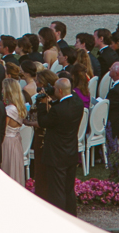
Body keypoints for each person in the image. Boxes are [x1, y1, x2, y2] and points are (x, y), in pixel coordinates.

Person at [33, 77, 85, 215]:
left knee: (57, 190)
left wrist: (42, 104)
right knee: (68, 189)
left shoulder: (58, 111)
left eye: (55, 88)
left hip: (56, 155)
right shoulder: (77, 102)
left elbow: (43, 121)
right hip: (70, 152)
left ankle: (60, 217)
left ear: (60, 91)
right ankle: (72, 215)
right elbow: (64, 101)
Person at [0, 78, 28, 185]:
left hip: (7, 142)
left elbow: (2, 129)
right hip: (15, 142)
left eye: (3, 88)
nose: (2, 91)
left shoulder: (9, 110)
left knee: (7, 169)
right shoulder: (19, 107)